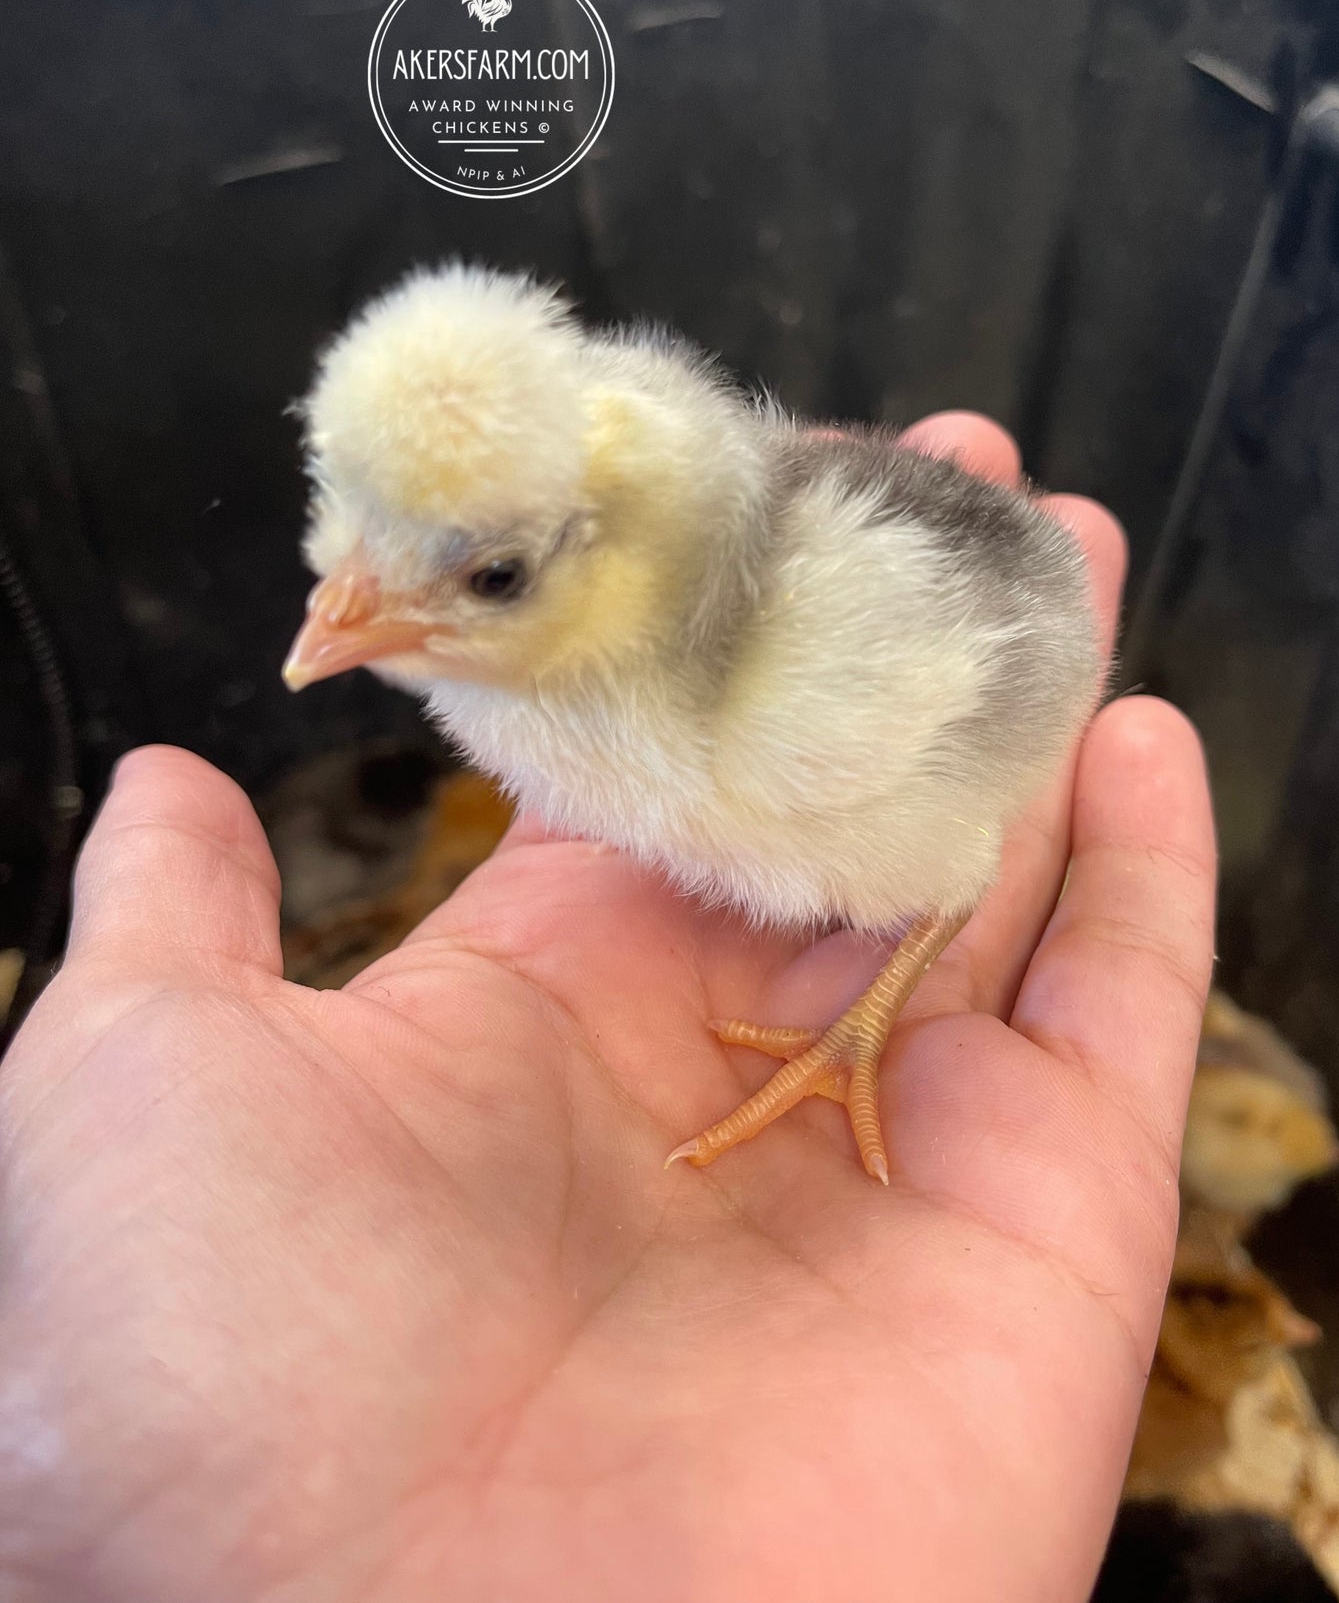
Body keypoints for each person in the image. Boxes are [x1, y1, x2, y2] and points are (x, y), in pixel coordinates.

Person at [0, 415, 1215, 1603]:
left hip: (931, 676)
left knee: (901, 848)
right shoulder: (615, 671)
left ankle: (860, 1009)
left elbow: (970, 739)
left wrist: (859, 1023)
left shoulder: (778, 699)